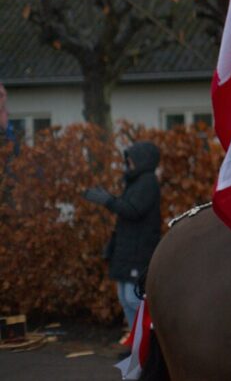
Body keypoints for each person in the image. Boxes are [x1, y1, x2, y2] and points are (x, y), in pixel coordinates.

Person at [82, 141, 162, 336]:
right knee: (125, 299)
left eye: (131, 160)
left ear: (142, 160)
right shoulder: (135, 182)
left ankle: (150, 342)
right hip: (127, 249)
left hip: (139, 250)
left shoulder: (148, 181)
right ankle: (136, 344)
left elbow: (134, 210)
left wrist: (108, 200)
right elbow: (127, 209)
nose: (128, 164)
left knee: (134, 299)